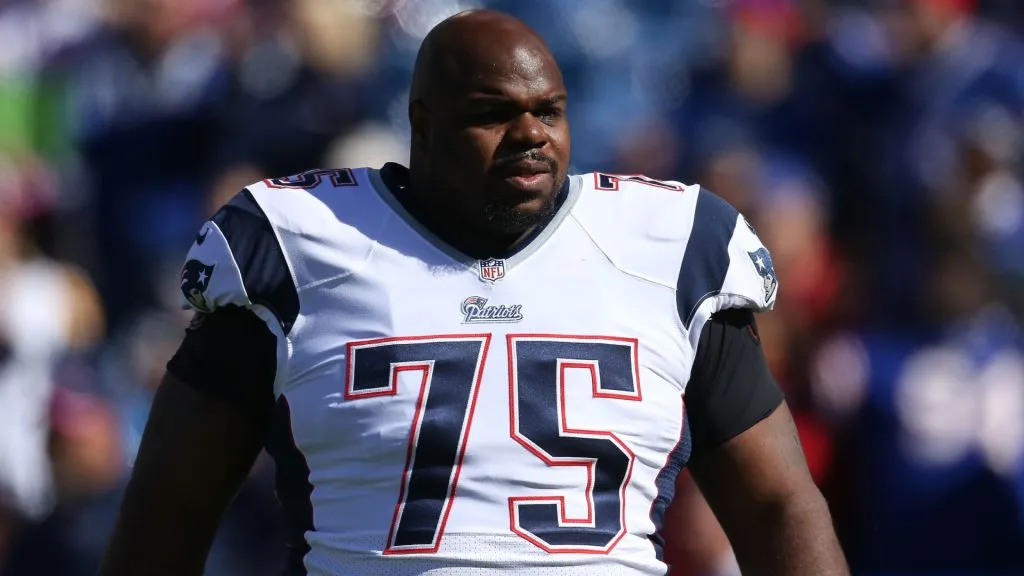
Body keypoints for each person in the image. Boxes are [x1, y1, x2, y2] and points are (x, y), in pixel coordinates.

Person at [98, 10, 848, 576]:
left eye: (548, 111)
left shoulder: (668, 246)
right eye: (494, 114)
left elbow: (777, 503)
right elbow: (172, 501)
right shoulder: (299, 243)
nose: (530, 134)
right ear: (421, 124)